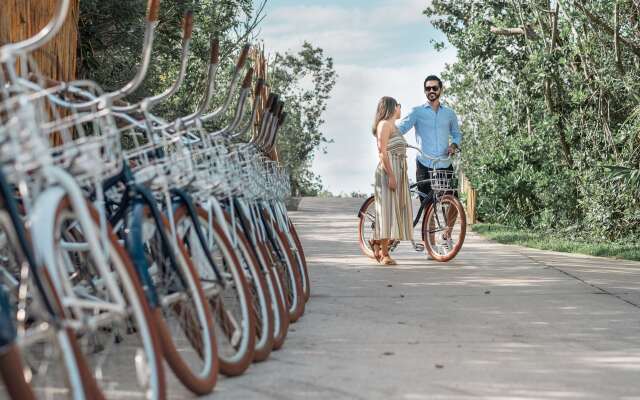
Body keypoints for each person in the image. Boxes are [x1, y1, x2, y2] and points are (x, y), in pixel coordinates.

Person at [396, 75, 462, 200]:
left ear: (441, 90)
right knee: (427, 205)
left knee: (453, 200)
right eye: (428, 88)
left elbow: (456, 134)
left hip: (444, 163)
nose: (431, 91)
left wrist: (453, 145)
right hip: (424, 163)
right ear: (425, 91)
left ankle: (451, 220)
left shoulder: (450, 113)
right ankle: (429, 220)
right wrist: (385, 129)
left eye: (435, 88)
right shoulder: (417, 111)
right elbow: (400, 129)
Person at [371, 96, 413, 265]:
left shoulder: (394, 126)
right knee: (387, 212)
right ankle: (384, 254)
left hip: (399, 170)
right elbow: (382, 152)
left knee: (395, 211)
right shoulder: (384, 125)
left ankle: (376, 242)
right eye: (399, 105)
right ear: (392, 107)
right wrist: (391, 176)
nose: (400, 108)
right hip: (389, 171)